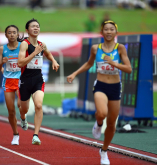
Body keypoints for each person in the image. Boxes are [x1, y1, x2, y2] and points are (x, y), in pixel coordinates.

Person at [67, 20, 132, 165]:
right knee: (102, 113)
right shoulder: (96, 48)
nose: (109, 32)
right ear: (101, 32)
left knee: (112, 124)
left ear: (116, 32)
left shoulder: (120, 48)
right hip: (101, 85)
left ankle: (104, 151)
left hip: (115, 87)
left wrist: (114, 63)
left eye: (111, 29)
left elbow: (129, 69)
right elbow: (89, 64)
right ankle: (98, 123)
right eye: (106, 29)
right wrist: (75, 73)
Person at [18, 18, 59, 145]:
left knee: (39, 105)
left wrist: (54, 61)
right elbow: (20, 63)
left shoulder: (42, 44)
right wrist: (34, 53)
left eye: (37, 26)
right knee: (24, 109)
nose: (36, 28)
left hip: (38, 79)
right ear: (27, 30)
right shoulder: (24, 44)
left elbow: (48, 53)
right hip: (25, 80)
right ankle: (23, 119)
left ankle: (35, 135)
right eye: (33, 26)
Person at [0, 25, 22, 145]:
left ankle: (24, 119)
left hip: (21, 80)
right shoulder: (2, 49)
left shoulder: (23, 47)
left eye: (14, 32)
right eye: (9, 32)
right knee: (11, 111)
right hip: (8, 81)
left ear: (18, 34)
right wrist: (2, 62)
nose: (12, 34)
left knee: (21, 105)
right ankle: (15, 134)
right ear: (6, 35)